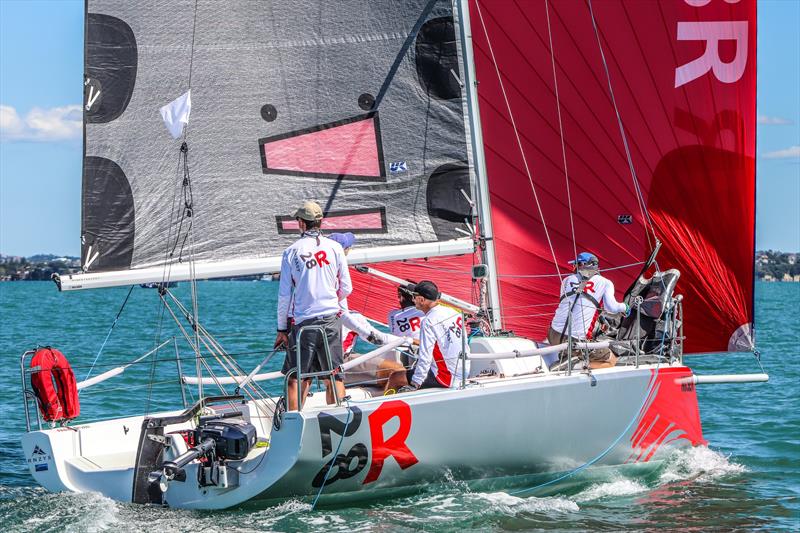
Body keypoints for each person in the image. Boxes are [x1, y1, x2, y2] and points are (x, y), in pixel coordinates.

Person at [275, 201, 352, 410]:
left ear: (301, 223)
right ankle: (339, 419)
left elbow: (284, 295)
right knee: (334, 375)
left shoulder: (291, 252)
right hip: (331, 320)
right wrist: (330, 301)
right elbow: (347, 287)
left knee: (296, 377)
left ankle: (293, 423)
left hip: (304, 323)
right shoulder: (335, 247)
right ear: (320, 222)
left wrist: (282, 329)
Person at [327, 232, 406, 387]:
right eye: (348, 248)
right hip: (341, 360)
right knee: (398, 372)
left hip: (328, 360)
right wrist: (410, 341)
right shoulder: (350, 315)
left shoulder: (315, 301)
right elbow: (379, 338)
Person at [548, 252, 629, 369]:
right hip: (574, 341)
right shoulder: (605, 282)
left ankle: (569, 357)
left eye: (576, 264)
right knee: (611, 361)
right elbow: (611, 308)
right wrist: (625, 307)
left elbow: (567, 303)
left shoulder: (566, 280)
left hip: (552, 335)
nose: (574, 268)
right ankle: (575, 365)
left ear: (584, 265)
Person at [386, 280, 470, 393]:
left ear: (421, 300)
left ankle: (388, 409)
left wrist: (415, 383)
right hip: (464, 371)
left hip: (447, 377)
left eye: (414, 297)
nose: (413, 300)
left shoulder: (428, 322)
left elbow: (425, 357)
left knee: (395, 377)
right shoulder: (454, 312)